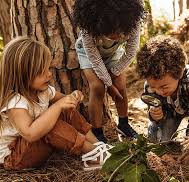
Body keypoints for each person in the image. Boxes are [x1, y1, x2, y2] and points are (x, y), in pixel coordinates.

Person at [0, 37, 112, 171]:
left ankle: (98, 146)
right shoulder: (15, 103)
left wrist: (73, 97)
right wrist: (57, 106)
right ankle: (93, 154)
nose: (49, 74)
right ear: (23, 74)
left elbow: (65, 101)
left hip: (32, 149)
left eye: (48, 68)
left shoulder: (43, 91)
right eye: (42, 72)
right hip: (15, 157)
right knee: (52, 125)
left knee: (65, 110)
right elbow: (30, 134)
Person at [136, 35, 189, 159]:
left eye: (164, 87)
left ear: (180, 73)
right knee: (157, 142)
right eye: (154, 87)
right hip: (172, 111)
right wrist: (155, 116)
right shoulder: (151, 85)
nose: (158, 92)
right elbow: (154, 116)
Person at [73, 0, 145, 143]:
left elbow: (130, 52)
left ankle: (124, 124)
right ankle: (97, 131)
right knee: (98, 87)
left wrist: (113, 78)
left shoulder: (133, 22)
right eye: (111, 30)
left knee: (120, 86)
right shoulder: (88, 29)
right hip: (89, 55)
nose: (116, 34)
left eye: (119, 30)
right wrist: (108, 84)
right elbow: (94, 58)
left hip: (113, 53)